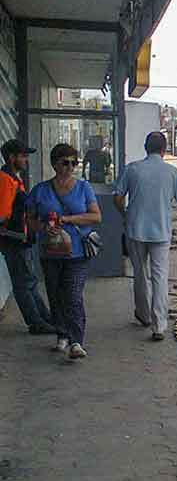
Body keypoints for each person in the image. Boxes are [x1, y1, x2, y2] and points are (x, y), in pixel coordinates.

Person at [113, 132, 177, 341]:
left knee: (140, 274)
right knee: (160, 276)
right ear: (164, 149)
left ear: (145, 147)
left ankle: (144, 315)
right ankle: (159, 325)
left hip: (136, 230)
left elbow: (118, 198)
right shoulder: (172, 172)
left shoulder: (132, 169)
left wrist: (127, 214)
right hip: (161, 232)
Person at [27, 144, 102, 359]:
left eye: (73, 163)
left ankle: (76, 341)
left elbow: (96, 216)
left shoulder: (83, 188)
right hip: (50, 251)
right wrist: (43, 227)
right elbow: (30, 219)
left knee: (73, 295)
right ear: (54, 164)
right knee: (55, 294)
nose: (70, 167)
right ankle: (62, 334)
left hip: (77, 252)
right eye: (65, 162)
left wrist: (67, 219)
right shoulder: (41, 190)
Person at [0, 139, 55, 335]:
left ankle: (44, 318)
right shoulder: (6, 179)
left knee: (29, 281)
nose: (26, 160)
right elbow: (3, 214)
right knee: (23, 284)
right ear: (11, 157)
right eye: (23, 156)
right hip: (14, 240)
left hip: (20, 239)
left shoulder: (14, 178)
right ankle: (36, 322)